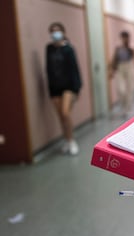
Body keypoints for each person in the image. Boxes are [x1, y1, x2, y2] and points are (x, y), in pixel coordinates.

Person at [46, 22, 82, 156]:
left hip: (68, 87)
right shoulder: (49, 48)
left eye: (57, 31)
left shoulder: (68, 49)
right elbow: (48, 69)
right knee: (61, 116)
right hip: (55, 87)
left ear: (62, 32)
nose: (55, 33)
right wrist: (49, 89)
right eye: (52, 31)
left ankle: (72, 140)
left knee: (65, 113)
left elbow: (74, 69)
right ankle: (66, 140)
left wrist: (77, 88)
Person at [109, 31, 134, 118]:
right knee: (120, 89)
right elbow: (114, 59)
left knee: (130, 88)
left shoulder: (132, 46)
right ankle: (123, 105)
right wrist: (111, 70)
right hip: (120, 67)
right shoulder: (118, 47)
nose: (124, 39)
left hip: (129, 66)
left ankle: (127, 108)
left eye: (126, 37)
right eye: (123, 37)